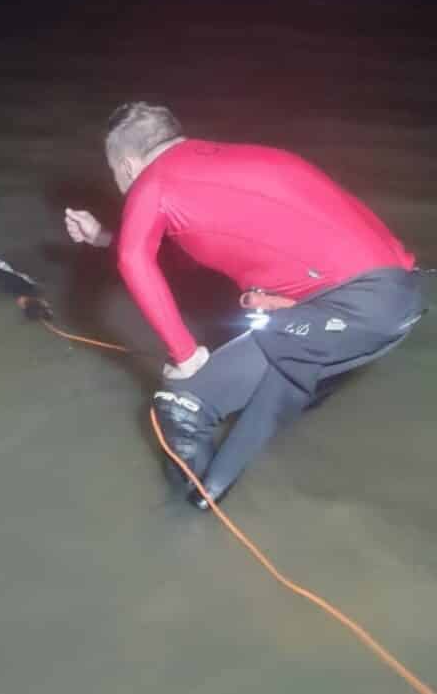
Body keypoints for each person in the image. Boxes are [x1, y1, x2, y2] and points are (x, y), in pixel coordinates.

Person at [65, 102, 426, 509]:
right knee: (248, 378)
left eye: (116, 175)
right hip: (395, 299)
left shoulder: (155, 182)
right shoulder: (232, 162)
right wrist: (102, 237)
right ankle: (285, 494)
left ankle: (186, 535)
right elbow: (174, 259)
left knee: (182, 406)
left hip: (354, 308)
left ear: (129, 165)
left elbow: (134, 261)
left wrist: (185, 354)